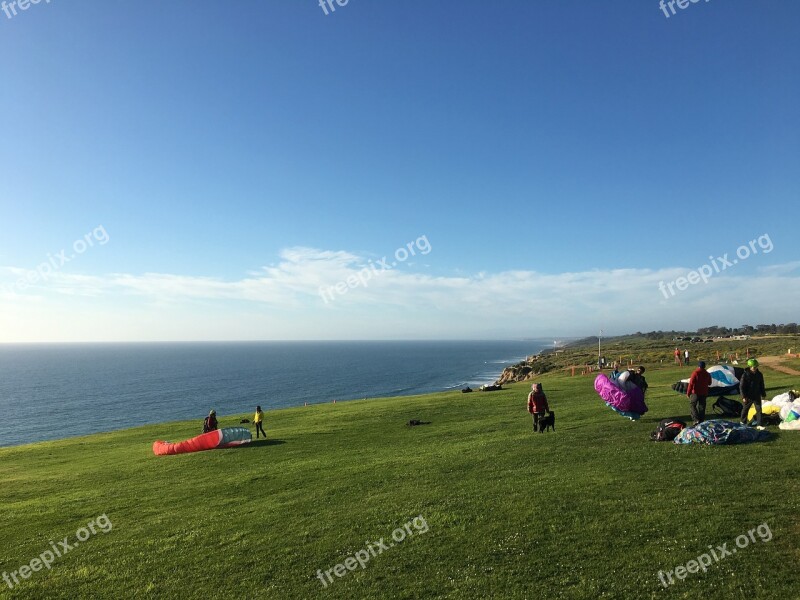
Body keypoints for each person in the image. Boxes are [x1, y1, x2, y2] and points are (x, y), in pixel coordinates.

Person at [740, 358, 766, 428]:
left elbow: (761, 385)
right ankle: (743, 422)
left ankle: (759, 424)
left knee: (759, 410)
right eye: (753, 367)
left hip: (757, 395)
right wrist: (743, 397)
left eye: (756, 366)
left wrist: (763, 394)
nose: (755, 368)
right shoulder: (745, 375)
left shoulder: (759, 374)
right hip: (748, 396)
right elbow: (741, 387)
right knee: (745, 409)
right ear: (749, 367)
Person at [686, 361, 712, 426]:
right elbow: (710, 383)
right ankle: (701, 420)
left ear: (698, 366)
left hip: (695, 392)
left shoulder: (695, 373)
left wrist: (688, 393)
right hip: (704, 392)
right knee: (702, 407)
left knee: (693, 405)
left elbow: (691, 383)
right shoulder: (707, 374)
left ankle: (696, 419)